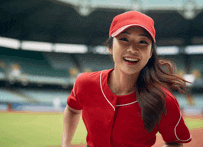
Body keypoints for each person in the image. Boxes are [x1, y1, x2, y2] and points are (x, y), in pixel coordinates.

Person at [62, 11, 192, 147]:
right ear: (110, 47)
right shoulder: (85, 83)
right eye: (124, 39)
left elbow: (174, 142)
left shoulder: (163, 100)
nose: (132, 49)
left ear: (150, 53)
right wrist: (65, 144)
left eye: (143, 42)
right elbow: (72, 109)